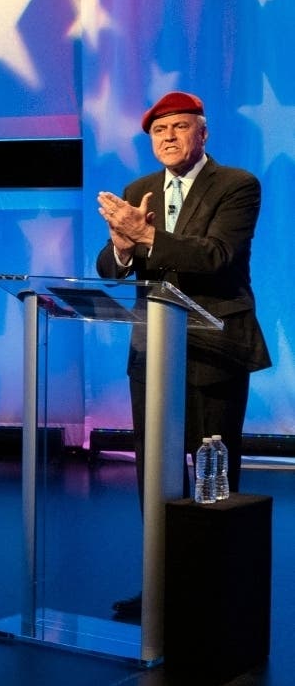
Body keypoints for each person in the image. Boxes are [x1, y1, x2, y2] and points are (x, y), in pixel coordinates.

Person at [95, 91, 272, 619]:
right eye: (158, 130)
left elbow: (216, 256)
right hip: (153, 349)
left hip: (214, 345)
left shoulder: (236, 185)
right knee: (157, 474)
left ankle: (214, 592)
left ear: (203, 133)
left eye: (179, 127)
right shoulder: (139, 190)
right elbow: (110, 267)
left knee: (213, 474)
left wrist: (145, 234)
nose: (168, 137)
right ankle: (163, 587)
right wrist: (123, 247)